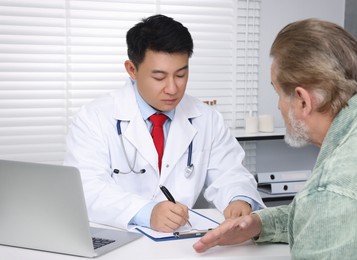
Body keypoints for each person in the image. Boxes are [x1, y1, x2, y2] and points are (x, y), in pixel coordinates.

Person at [193, 18, 357, 259]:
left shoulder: (336, 193)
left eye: (277, 93)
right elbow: (318, 215)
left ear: (303, 101)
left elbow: (331, 206)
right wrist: (259, 224)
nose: (278, 105)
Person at [64, 14, 265, 232]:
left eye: (181, 75)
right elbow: (87, 188)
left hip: (183, 243)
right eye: (159, 77)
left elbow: (230, 173)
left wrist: (239, 199)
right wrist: (146, 211)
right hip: (121, 240)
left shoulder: (207, 118)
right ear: (132, 70)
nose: (172, 88)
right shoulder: (94, 117)